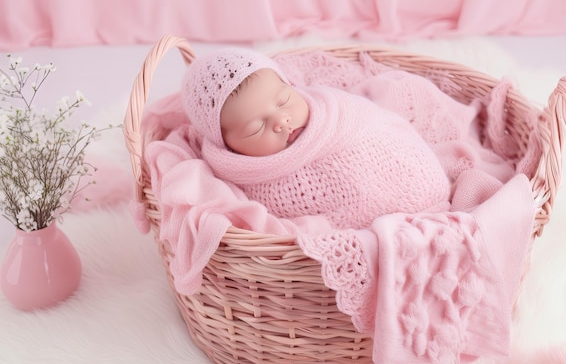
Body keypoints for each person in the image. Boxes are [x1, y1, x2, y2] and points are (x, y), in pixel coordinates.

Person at [181, 46, 454, 230]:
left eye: (284, 101)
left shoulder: (336, 111)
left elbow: (382, 131)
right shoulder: (239, 179)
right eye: (255, 128)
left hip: (419, 187)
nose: (281, 121)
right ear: (227, 144)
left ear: (291, 86)